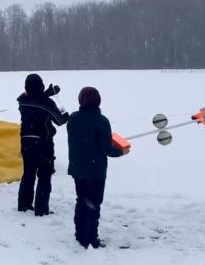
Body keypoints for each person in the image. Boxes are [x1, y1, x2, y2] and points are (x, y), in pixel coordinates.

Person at [67, 87, 129, 249]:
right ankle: (90, 238)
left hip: (78, 169)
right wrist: (121, 151)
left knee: (82, 201)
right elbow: (106, 148)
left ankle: (80, 235)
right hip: (95, 171)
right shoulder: (102, 121)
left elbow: (85, 141)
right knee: (93, 203)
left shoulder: (73, 119)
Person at [17, 74, 69, 216]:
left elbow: (35, 100)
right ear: (41, 86)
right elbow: (59, 120)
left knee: (28, 174)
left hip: (26, 142)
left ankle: (24, 205)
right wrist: (66, 115)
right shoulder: (47, 103)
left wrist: (49, 93)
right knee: (44, 176)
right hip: (43, 143)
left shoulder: (23, 101)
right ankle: (41, 209)